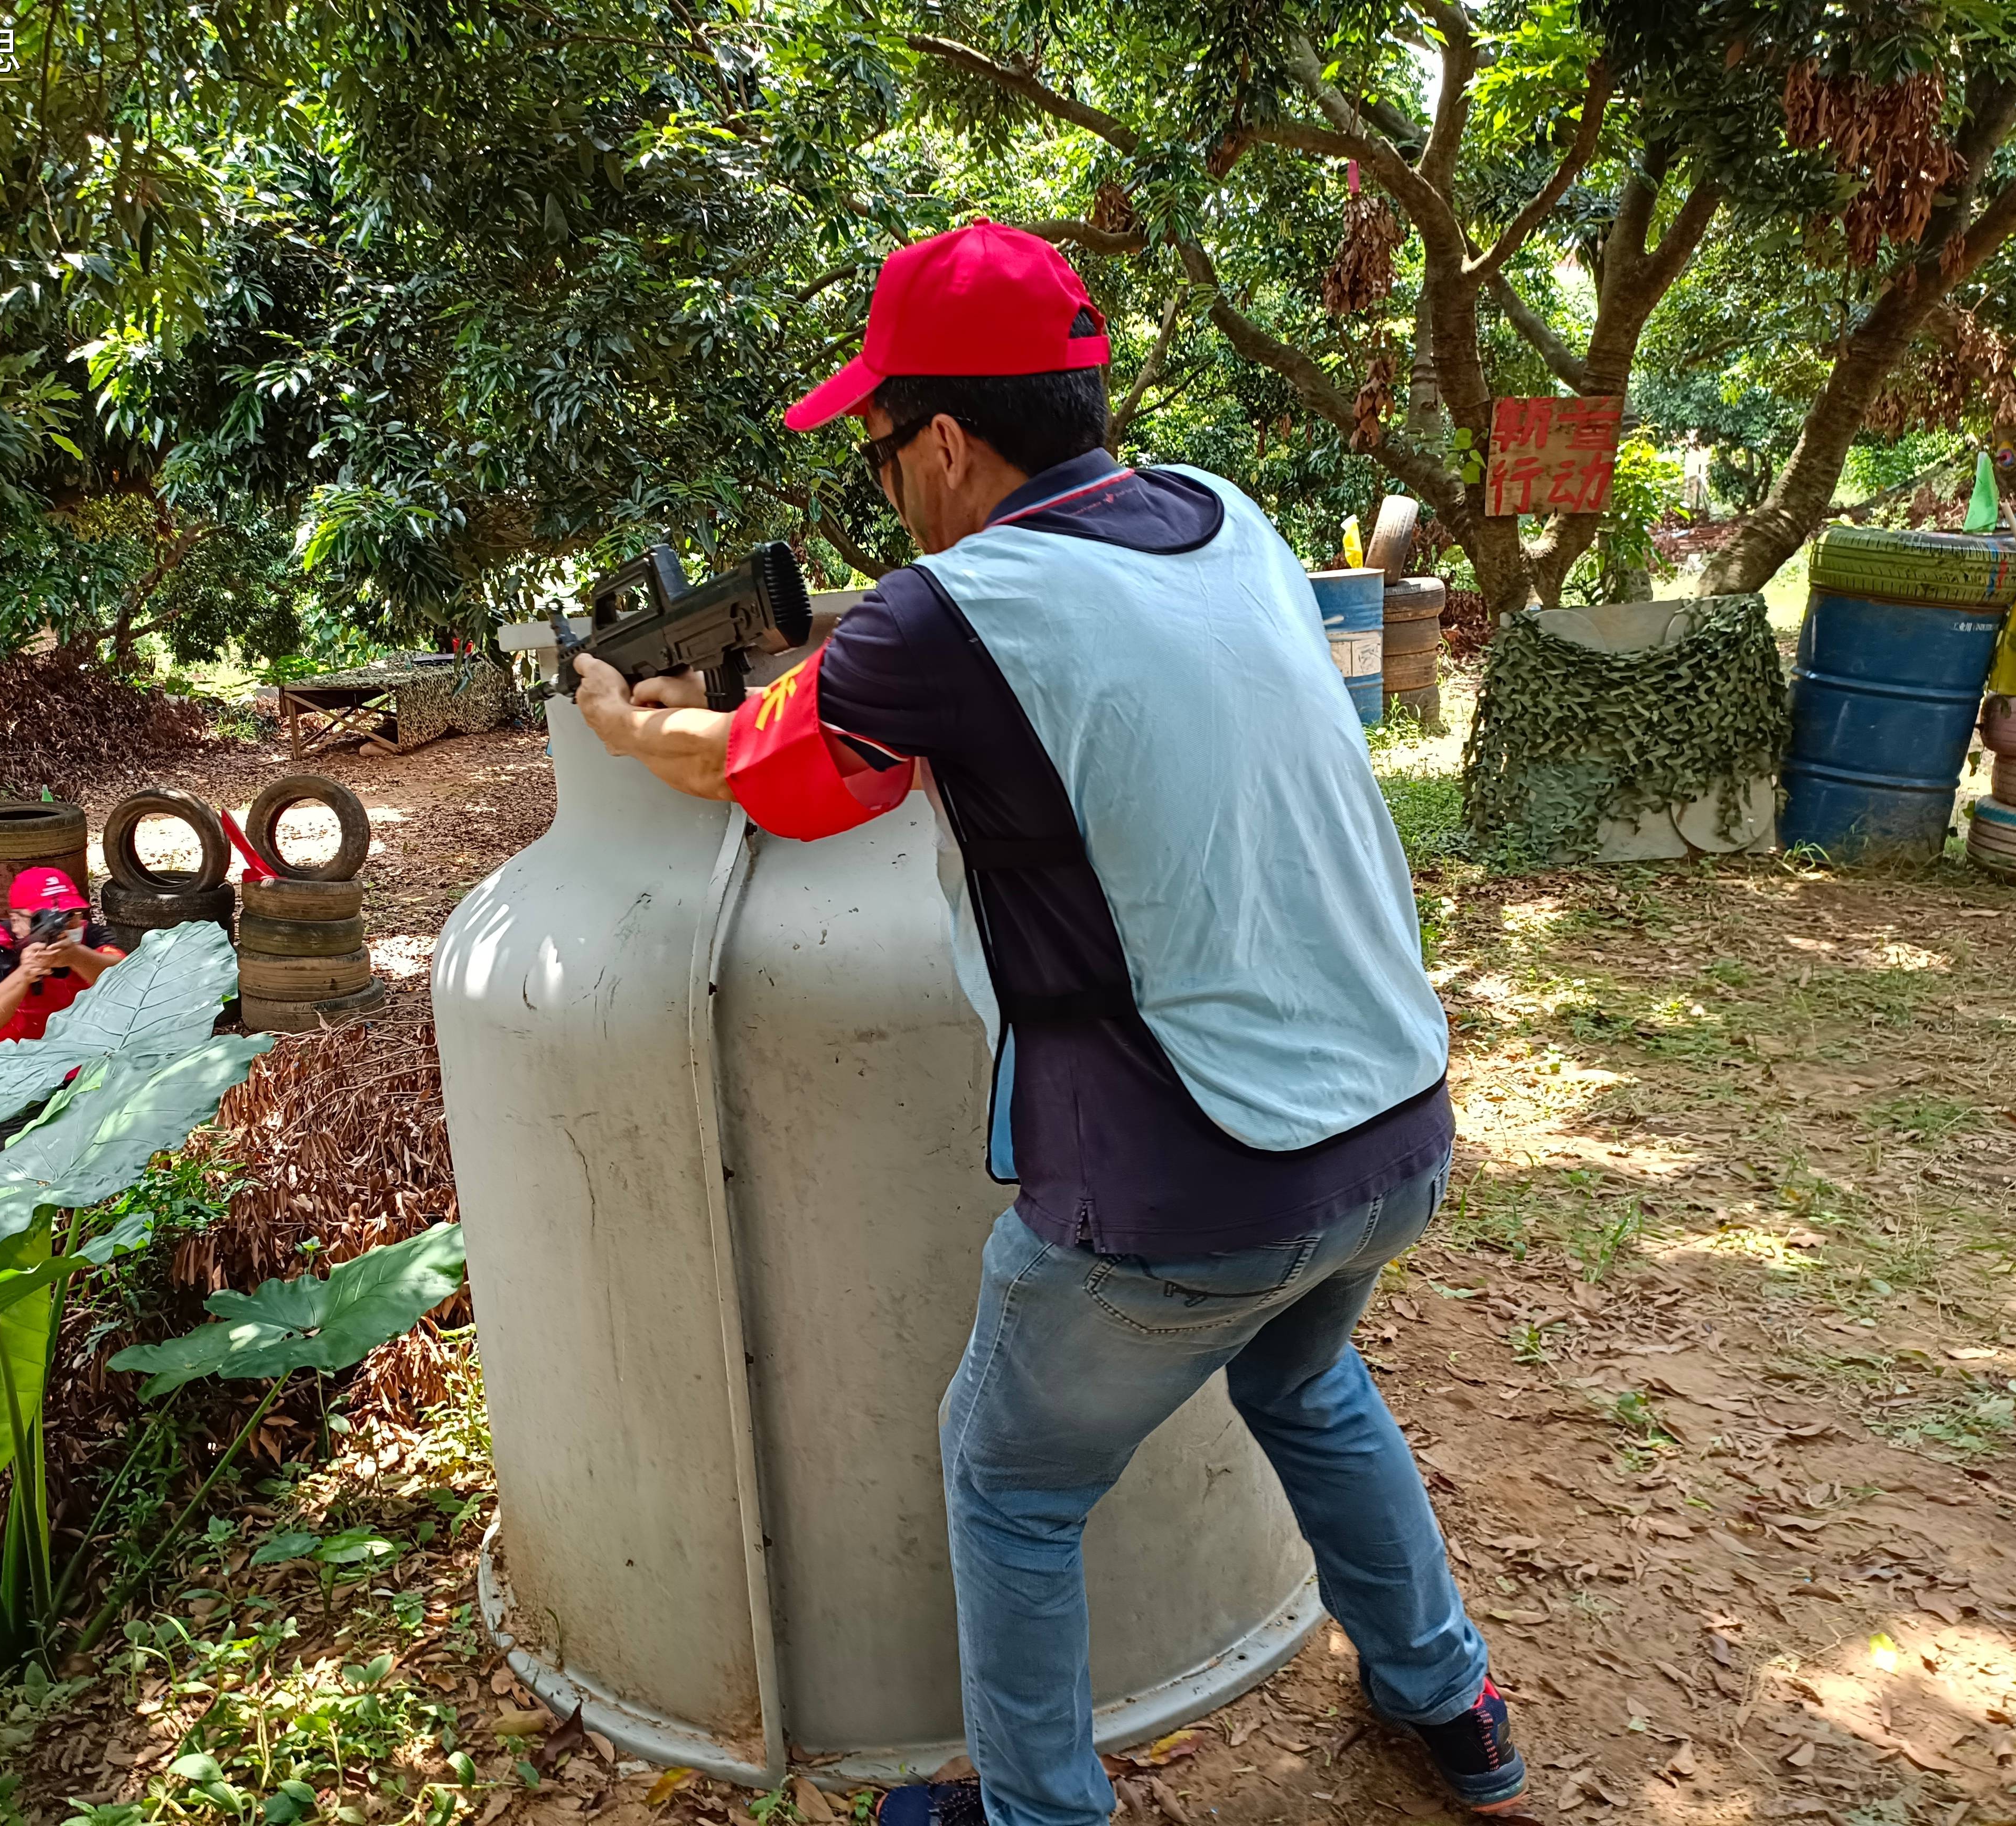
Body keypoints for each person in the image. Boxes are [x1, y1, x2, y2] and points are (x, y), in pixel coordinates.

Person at [570, 221, 1522, 1824]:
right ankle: (1457, 1707)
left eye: (879, 448)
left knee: (1010, 1483)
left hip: (1195, 1181)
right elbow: (1074, 684)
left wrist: (622, 719)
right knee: (1306, 1384)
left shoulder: (946, 620)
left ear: (943, 439)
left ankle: (1035, 1814)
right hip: (1395, 1128)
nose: (886, 488)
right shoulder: (1226, 518)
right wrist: (851, 661)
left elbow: (773, 776)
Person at [0, 865, 124, 1148]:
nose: (63, 927)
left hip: (85, 1072)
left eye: (71, 917)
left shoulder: (90, 938)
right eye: (40, 920)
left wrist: (76, 957)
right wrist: (24, 973)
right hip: (10, 1081)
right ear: (17, 921)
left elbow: (131, 981)